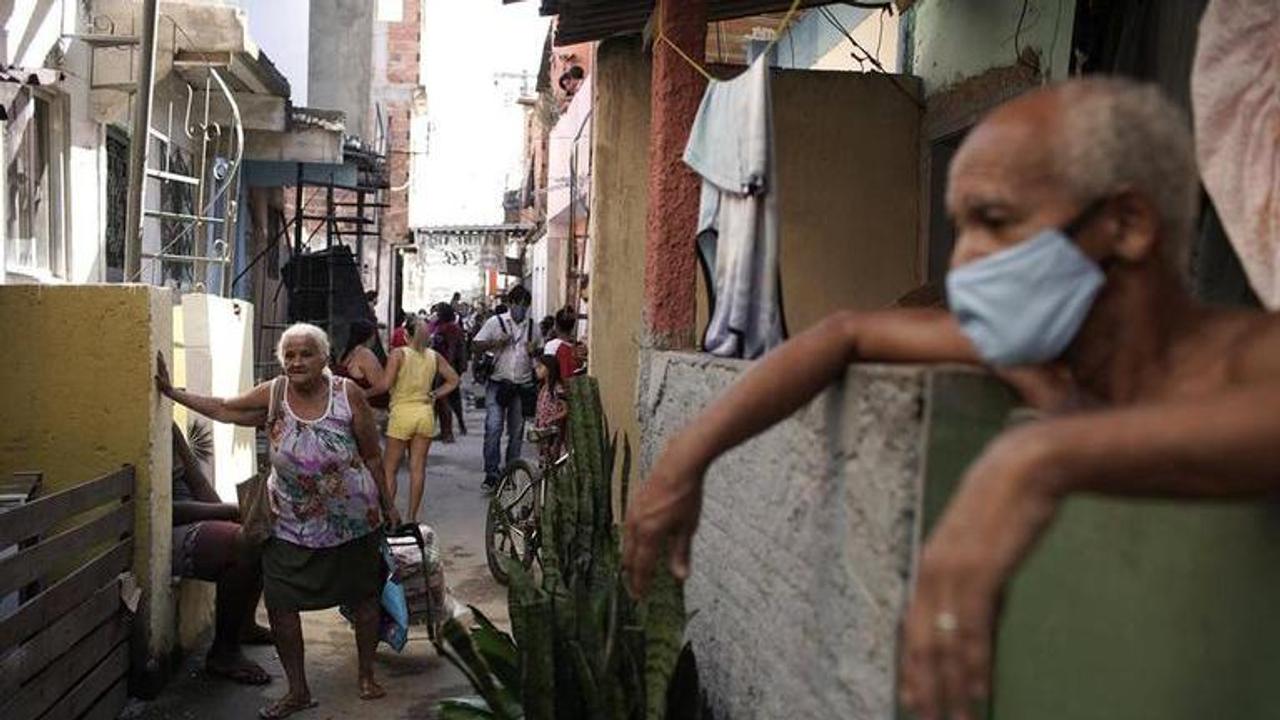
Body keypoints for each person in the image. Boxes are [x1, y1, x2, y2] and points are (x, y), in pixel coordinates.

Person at [621, 77, 1280, 720]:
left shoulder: (1247, 355)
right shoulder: (1052, 354)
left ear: (1127, 224)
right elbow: (845, 333)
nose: (964, 265)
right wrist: (686, 456)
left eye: (995, 221)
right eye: (961, 228)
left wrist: (1034, 458)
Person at [157, 323, 400, 719]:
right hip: (289, 520)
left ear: (324, 358)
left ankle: (366, 676)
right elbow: (224, 407)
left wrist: (389, 504)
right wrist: (173, 394)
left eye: (306, 354)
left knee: (364, 596)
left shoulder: (347, 394)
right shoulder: (273, 395)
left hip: (352, 521)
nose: (296, 362)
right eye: (289, 355)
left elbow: (372, 455)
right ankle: (298, 691)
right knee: (283, 602)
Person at [168, 423, 273, 685]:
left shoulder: (167, 426)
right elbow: (162, 509)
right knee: (240, 544)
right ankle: (223, 653)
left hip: (192, 519)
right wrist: (224, 512)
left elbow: (199, 483)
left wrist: (236, 516)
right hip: (166, 529)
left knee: (256, 531)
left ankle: (245, 626)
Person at [369, 315, 461, 524]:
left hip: (401, 414)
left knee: (389, 469)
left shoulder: (398, 354)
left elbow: (384, 385)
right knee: (417, 468)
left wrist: (363, 393)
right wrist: (435, 394)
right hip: (425, 414)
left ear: (406, 335)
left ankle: (388, 517)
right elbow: (454, 379)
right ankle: (412, 517)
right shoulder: (434, 357)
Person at [472, 286, 540, 492]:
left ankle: (510, 472)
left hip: (521, 385)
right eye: (517, 304)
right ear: (510, 304)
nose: (521, 309)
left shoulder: (532, 327)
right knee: (493, 428)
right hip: (498, 383)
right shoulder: (496, 322)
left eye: (525, 306)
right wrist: (496, 342)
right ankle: (492, 473)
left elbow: (540, 352)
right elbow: (476, 345)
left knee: (516, 432)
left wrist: (533, 350)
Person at [431, 303, 468, 442]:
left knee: (442, 399)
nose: (437, 314)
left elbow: (452, 348)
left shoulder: (449, 328)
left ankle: (447, 433)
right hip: (447, 366)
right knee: (453, 397)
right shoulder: (446, 327)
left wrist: (448, 368)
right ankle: (452, 428)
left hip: (446, 367)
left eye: (439, 312)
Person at [333, 319, 387, 410]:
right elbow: (382, 386)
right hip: (370, 408)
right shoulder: (365, 354)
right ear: (370, 336)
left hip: (347, 408)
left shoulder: (345, 353)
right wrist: (363, 394)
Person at [532, 354, 568, 464]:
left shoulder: (557, 388)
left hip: (554, 432)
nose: (536, 370)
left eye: (540, 367)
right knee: (543, 460)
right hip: (543, 432)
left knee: (553, 459)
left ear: (549, 368)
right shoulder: (543, 388)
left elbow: (566, 409)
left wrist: (552, 418)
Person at [543, 306, 580, 379]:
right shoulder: (577, 348)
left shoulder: (551, 346)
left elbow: (547, 372)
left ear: (556, 326)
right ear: (573, 327)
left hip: (556, 386)